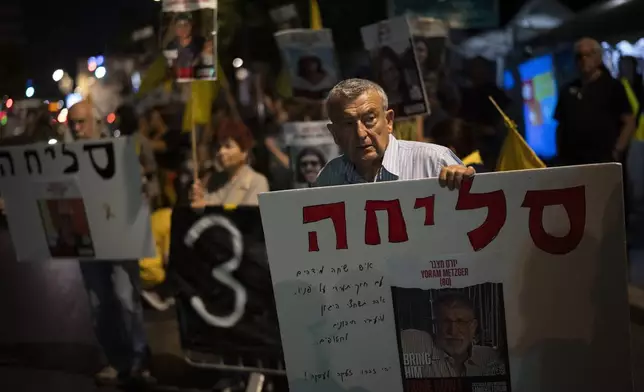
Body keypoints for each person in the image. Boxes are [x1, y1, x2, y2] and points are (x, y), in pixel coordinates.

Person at [67, 100, 155, 385]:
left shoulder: (119, 153)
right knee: (99, 303)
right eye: (72, 124)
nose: (76, 129)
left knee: (126, 298)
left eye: (81, 122)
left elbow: (140, 188)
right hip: (88, 241)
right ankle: (117, 360)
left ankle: (139, 358)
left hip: (119, 240)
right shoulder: (65, 159)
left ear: (96, 122)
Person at [314, 78, 474, 189]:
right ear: (334, 133)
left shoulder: (434, 163)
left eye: (369, 119)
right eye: (348, 124)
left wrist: (464, 181)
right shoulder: (329, 178)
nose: (361, 133)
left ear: (389, 121)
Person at [555, 38, 635, 165]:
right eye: (579, 56)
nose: (583, 59)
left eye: (588, 54)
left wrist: (617, 151)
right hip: (573, 162)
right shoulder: (567, 90)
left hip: (603, 160)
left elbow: (629, 121)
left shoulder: (613, 86)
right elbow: (560, 125)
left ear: (598, 57)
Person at [400, 293, 504, 377]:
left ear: (473, 327)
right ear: (435, 325)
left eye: (461, 322)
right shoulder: (416, 341)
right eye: (445, 322)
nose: (453, 331)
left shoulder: (489, 356)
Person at [191, 118, 269, 207]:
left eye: (228, 146)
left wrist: (207, 206)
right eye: (219, 147)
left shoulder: (256, 182)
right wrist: (199, 198)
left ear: (244, 152)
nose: (221, 152)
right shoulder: (214, 180)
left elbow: (249, 217)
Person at [165, 13, 206, 80]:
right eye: (179, 26)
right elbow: (170, 70)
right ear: (175, 28)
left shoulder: (201, 43)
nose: (183, 28)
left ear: (191, 26)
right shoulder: (171, 46)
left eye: (186, 25)